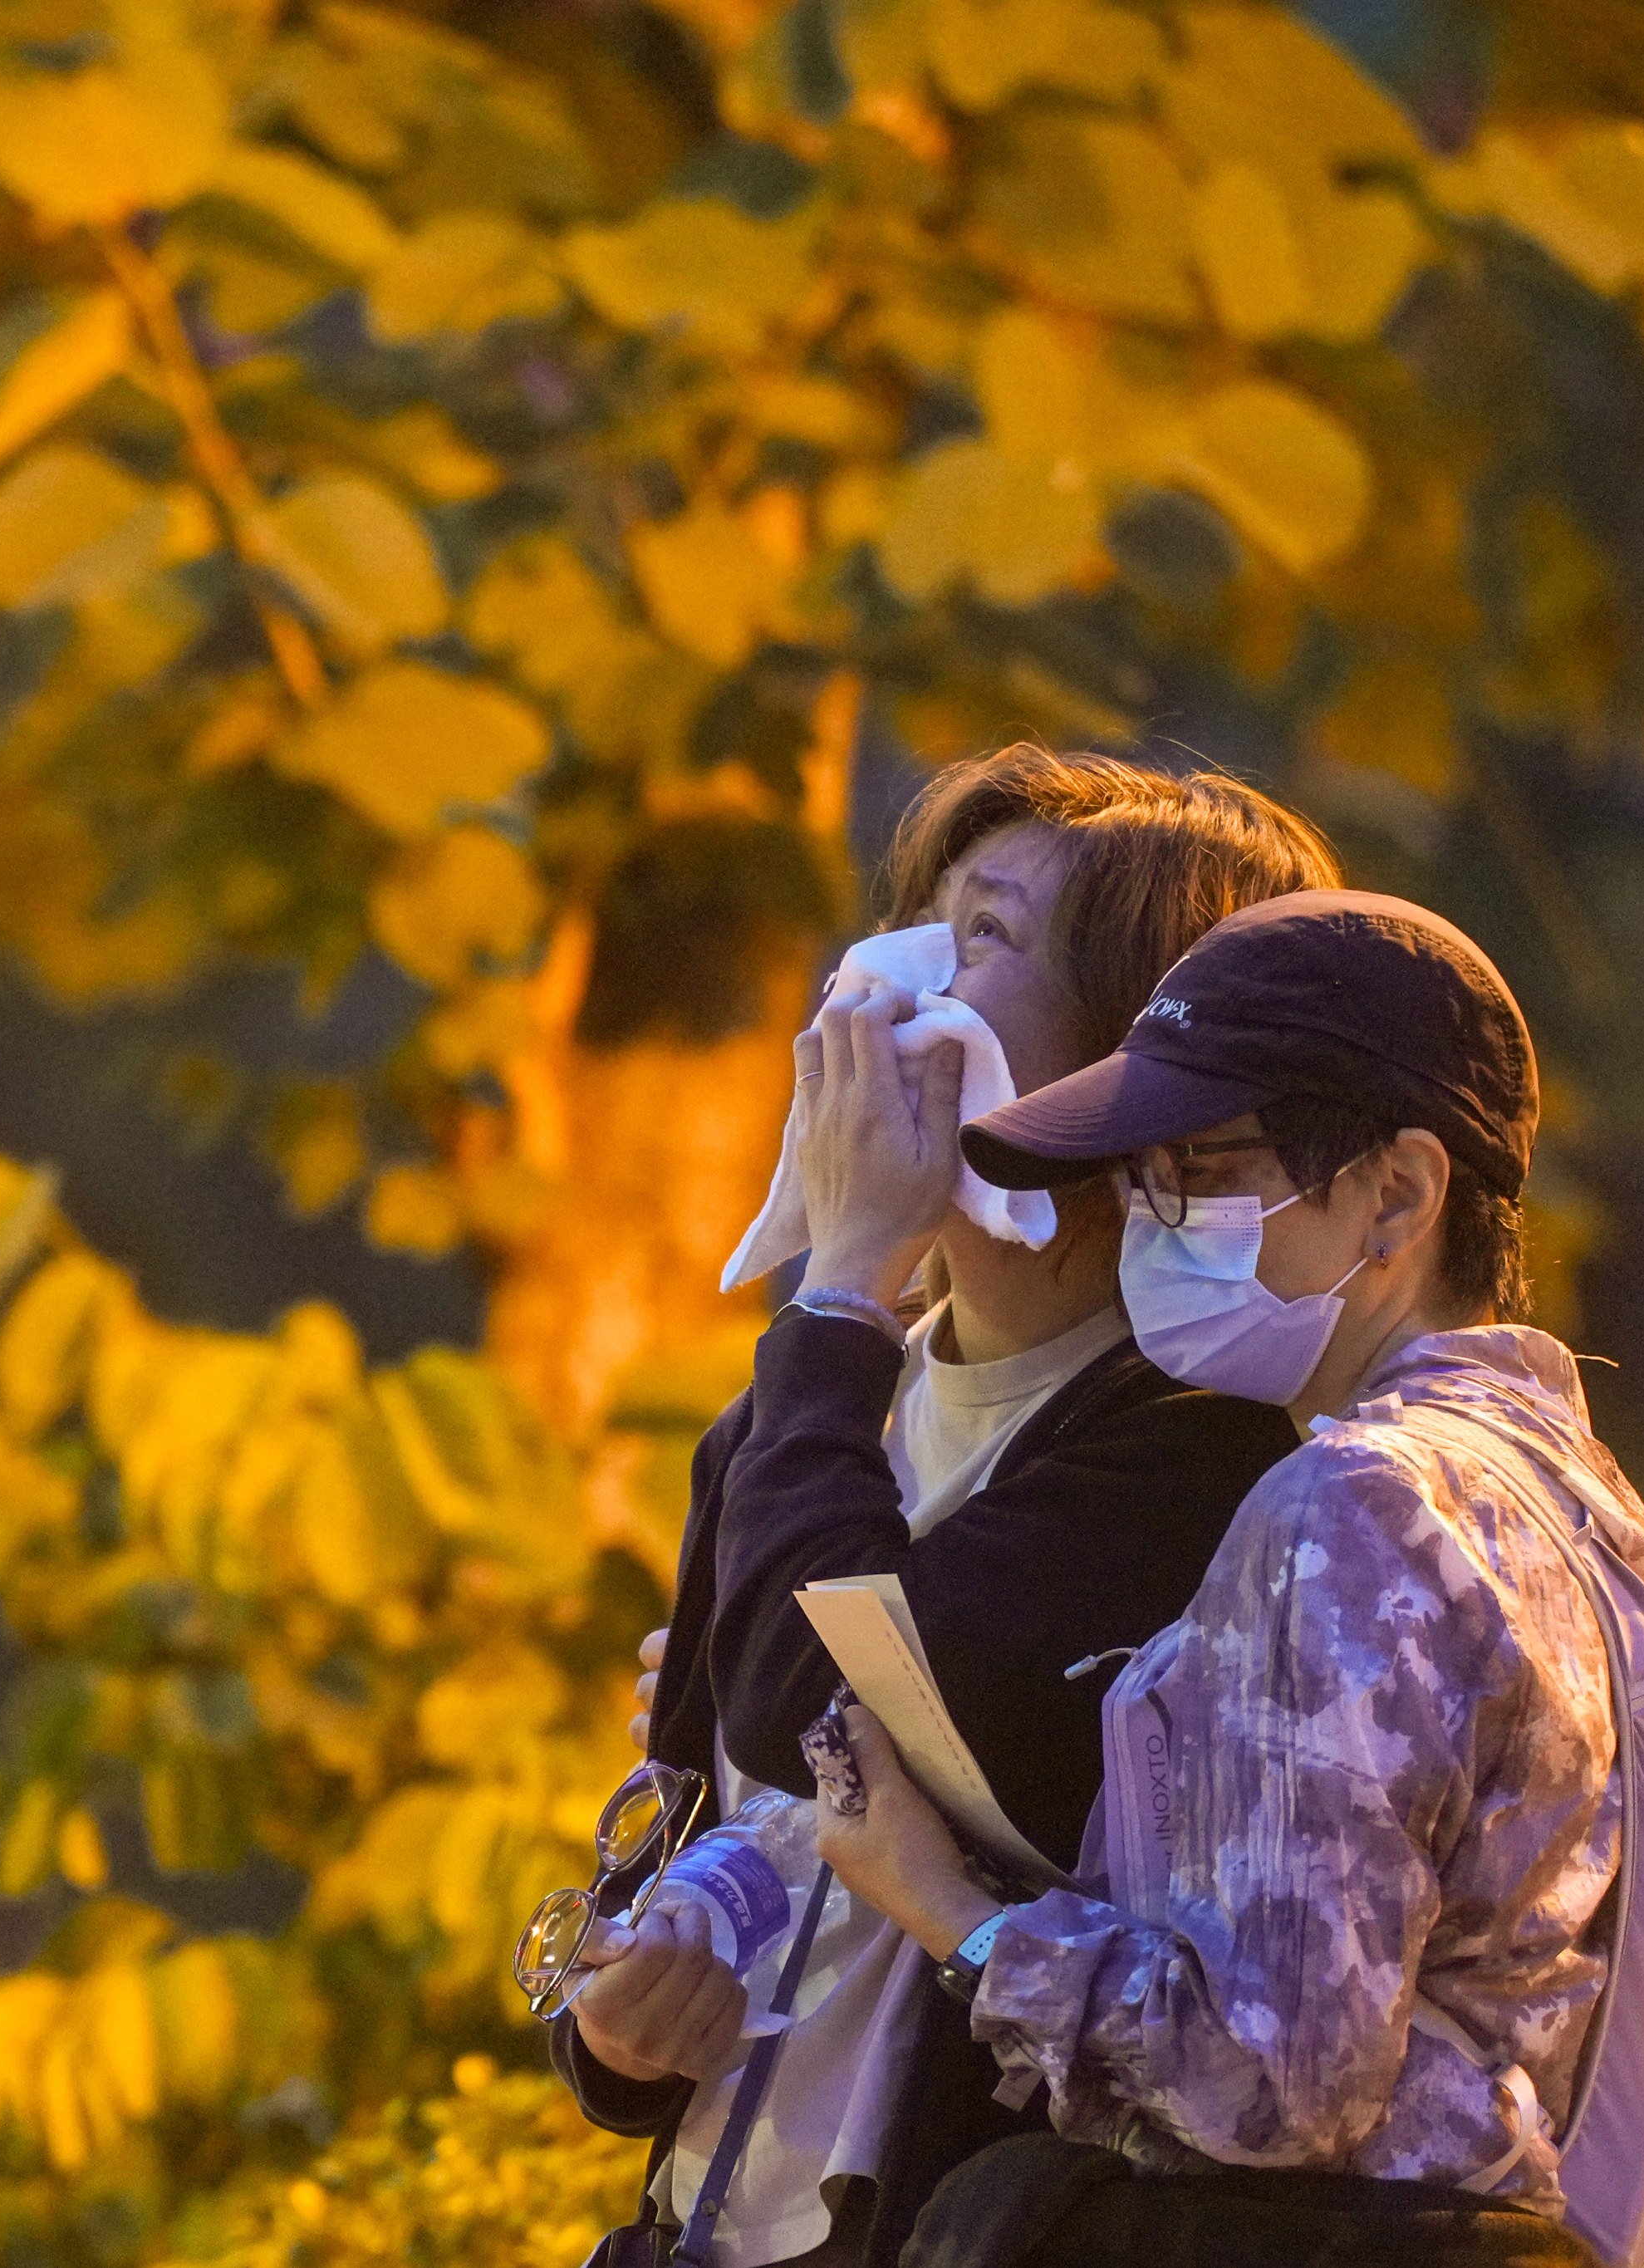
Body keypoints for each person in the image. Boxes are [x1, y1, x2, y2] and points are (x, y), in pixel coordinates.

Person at [811, 890, 1644, 2267]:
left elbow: (1272, 2082)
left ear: (1401, 1193)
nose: (1147, 1220)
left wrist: (949, 1911)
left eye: (1202, 1168)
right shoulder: (1581, 1503)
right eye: (1139, 1179)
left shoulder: (1352, 1503)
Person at [552, 749, 1337, 2268]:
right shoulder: (788, 1422)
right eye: (923, 920)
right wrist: (625, 2024)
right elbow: (690, 1819)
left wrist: (843, 1277)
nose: (888, 985)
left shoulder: (1184, 1465)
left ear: (1139, 1052)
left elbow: (810, 1708)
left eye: (984, 937)